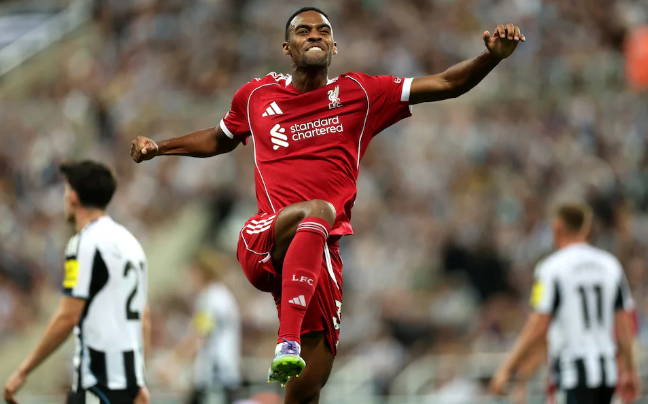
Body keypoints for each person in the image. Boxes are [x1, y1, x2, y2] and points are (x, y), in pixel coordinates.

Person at [130, 6, 525, 402]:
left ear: (335, 46)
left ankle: (290, 351)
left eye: (323, 30)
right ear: (287, 47)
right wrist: (160, 147)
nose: (314, 35)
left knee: (306, 391)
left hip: (321, 256)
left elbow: (446, 83)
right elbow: (220, 137)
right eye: (303, 31)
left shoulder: (361, 93)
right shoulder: (256, 95)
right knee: (319, 209)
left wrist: (490, 57)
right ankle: (287, 340)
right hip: (268, 236)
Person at [3, 161, 150, 404]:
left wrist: (23, 370)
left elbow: (67, 316)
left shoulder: (84, 243)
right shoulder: (131, 243)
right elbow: (143, 319)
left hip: (98, 382)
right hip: (128, 384)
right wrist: (139, 380)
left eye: (65, 190)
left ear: (73, 197)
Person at [490, 203, 640, 404]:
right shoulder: (610, 265)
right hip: (607, 373)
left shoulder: (551, 268)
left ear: (557, 227)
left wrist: (508, 367)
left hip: (572, 372)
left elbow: (538, 326)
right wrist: (630, 370)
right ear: (586, 228)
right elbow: (623, 324)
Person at [159, 250, 242, 404]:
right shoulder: (218, 296)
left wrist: (173, 363)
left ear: (200, 272)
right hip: (217, 375)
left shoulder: (212, 299)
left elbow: (199, 334)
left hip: (215, 375)